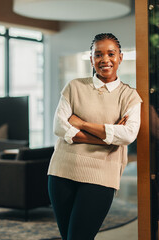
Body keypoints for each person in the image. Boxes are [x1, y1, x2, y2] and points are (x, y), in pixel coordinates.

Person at [47, 33, 142, 240]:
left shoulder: (129, 96)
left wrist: (81, 124)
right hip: (62, 171)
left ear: (120, 57)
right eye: (98, 54)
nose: (104, 59)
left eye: (111, 53)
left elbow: (127, 134)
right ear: (91, 59)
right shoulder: (74, 87)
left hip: (101, 176)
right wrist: (106, 136)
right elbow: (59, 126)